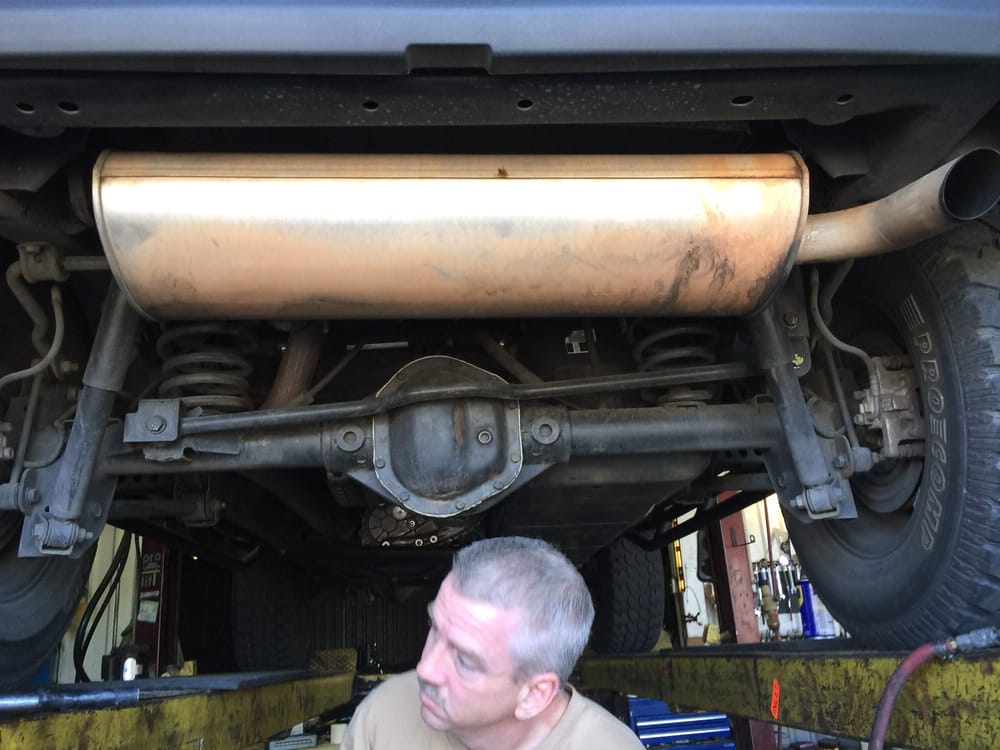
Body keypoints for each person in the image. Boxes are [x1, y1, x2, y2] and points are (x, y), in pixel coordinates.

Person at [343, 536, 645, 750]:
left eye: (465, 661)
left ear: (534, 695)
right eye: (434, 628)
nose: (425, 669)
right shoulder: (383, 714)